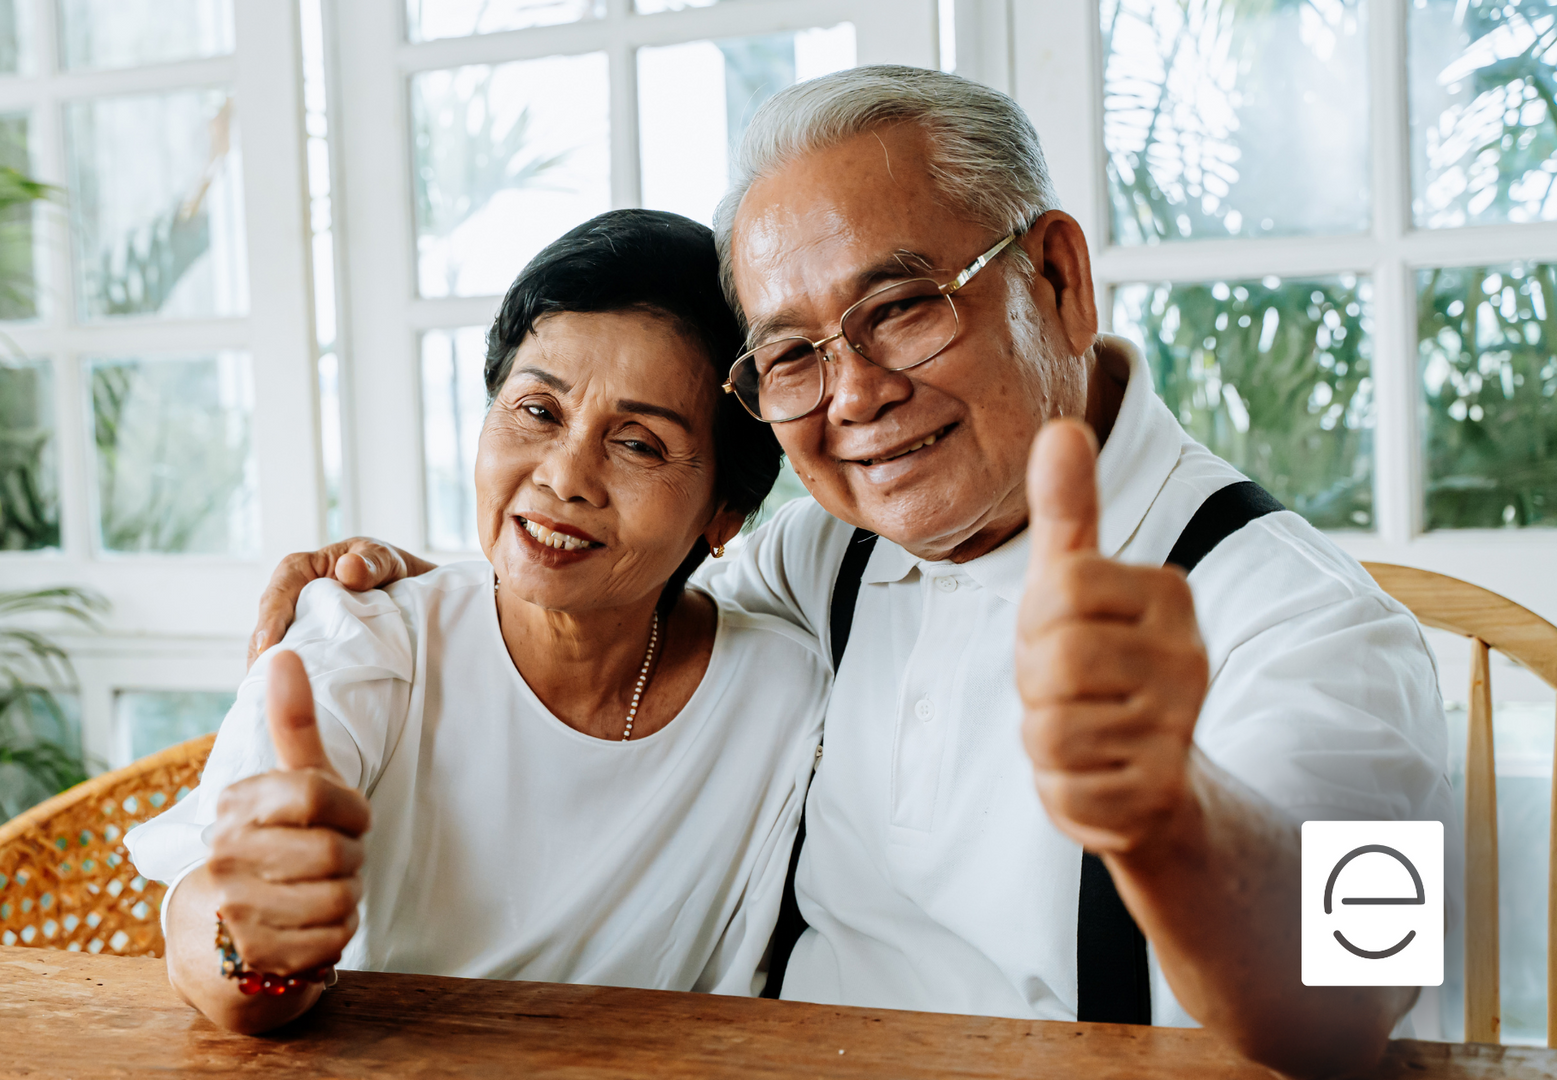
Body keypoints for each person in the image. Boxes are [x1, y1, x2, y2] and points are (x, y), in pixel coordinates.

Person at [245, 67, 1453, 1078]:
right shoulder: (827, 553)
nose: (858, 396)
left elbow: (1365, 1000)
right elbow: (627, 558)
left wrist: (1165, 814)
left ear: (1059, 279)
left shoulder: (1324, 626)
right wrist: (416, 600)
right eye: (793, 356)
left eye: (903, 306)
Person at [126, 209, 828, 1035]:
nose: (564, 476)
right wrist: (254, 942)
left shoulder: (785, 692)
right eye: (537, 411)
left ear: (726, 515)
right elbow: (211, 929)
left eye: (637, 444)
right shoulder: (364, 642)